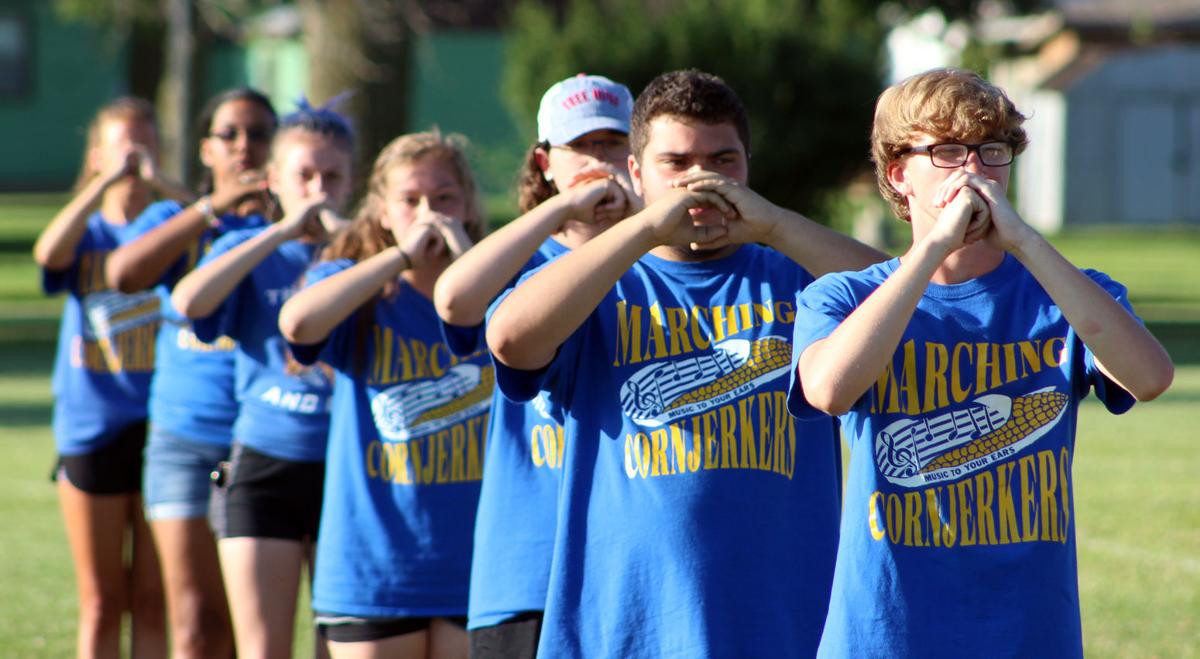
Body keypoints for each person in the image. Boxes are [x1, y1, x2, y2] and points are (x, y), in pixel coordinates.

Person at [485, 69, 886, 657]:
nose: (702, 180)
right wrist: (646, 227)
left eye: (723, 160)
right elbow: (511, 340)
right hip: (624, 627)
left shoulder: (800, 278)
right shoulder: (598, 282)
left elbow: (912, 305)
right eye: (676, 163)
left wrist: (775, 224)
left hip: (786, 621)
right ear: (635, 171)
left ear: (748, 165)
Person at [788, 67, 1174, 658]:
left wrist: (1024, 243)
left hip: (1028, 635)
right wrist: (934, 249)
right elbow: (829, 390)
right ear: (899, 174)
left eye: (991, 151)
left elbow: (1150, 378)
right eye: (946, 152)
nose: (973, 170)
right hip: (889, 635)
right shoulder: (843, 297)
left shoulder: (1067, 293)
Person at [432, 74, 637, 658]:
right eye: (581, 147)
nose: (599, 162)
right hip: (529, 567)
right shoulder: (526, 259)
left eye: (613, 144)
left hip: (628, 564)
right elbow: (456, 300)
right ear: (545, 161)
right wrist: (563, 211)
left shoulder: (661, 255)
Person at [278, 129, 486, 659]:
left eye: (444, 199)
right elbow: (299, 324)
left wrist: (467, 258)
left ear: (467, 205)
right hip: (374, 569)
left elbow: (513, 324)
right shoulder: (354, 284)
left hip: (477, 566)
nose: (429, 214)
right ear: (381, 212)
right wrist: (399, 257)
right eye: (410, 201)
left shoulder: (502, 281)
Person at [170, 97, 355, 659]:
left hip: (348, 468)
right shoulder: (245, 249)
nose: (318, 190)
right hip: (264, 465)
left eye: (332, 177)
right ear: (274, 179)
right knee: (262, 648)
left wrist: (357, 238)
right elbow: (188, 303)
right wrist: (282, 233)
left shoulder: (369, 254)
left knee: (342, 642)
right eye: (304, 175)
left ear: (353, 181)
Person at [106, 87, 278, 658]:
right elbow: (124, 272)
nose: (244, 146)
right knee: (196, 620)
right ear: (206, 149)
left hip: (266, 442)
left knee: (257, 626)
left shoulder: (296, 228)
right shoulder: (178, 221)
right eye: (229, 134)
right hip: (185, 438)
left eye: (258, 133)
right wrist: (209, 209)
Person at [34, 97, 190, 659]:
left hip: (162, 429)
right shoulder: (89, 232)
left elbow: (217, 225)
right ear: (96, 153)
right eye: (121, 145)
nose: (132, 158)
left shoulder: (174, 224)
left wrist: (161, 182)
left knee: (154, 598)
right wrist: (99, 187)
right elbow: (48, 252)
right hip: (92, 427)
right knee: (101, 600)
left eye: (143, 144)